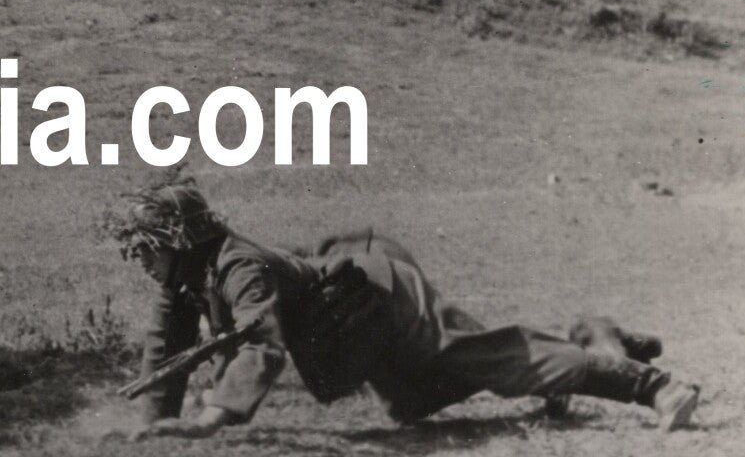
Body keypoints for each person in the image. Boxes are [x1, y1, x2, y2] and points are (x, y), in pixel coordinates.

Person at [109, 171, 701, 439]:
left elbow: (263, 343)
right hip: (354, 325)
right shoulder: (187, 274)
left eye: (144, 250)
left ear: (176, 242)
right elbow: (168, 345)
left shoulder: (236, 265)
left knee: (481, 359)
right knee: (412, 404)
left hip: (378, 300)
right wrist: (157, 421)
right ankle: (597, 338)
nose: (139, 262)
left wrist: (212, 419)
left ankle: (653, 387)